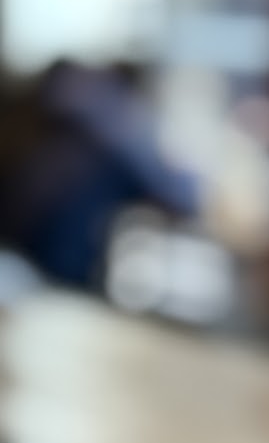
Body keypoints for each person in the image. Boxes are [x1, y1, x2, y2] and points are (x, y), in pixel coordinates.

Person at [0, 59, 199, 291]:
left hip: (25, 258)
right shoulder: (110, 124)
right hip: (52, 270)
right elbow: (183, 196)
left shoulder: (63, 112)